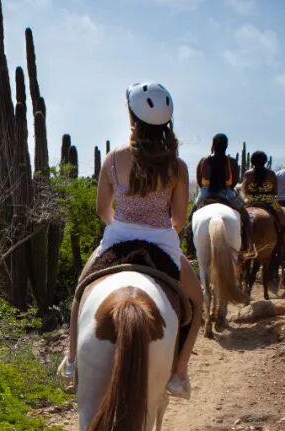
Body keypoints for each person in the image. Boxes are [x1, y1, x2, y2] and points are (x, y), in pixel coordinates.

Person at [58, 82, 203, 399]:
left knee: (81, 292)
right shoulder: (177, 167)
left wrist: (120, 227)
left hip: (118, 238)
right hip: (162, 242)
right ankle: (178, 374)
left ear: (131, 117)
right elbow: (179, 218)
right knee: (197, 301)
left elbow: (101, 209)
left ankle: (71, 361)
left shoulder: (112, 159)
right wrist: (160, 231)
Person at [186, 133, 252, 256]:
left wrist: (207, 189)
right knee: (245, 215)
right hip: (227, 192)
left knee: (191, 218)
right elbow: (234, 182)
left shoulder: (203, 160)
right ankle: (248, 244)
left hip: (206, 192)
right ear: (226, 146)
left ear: (213, 145)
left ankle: (189, 248)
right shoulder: (231, 162)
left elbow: (200, 181)